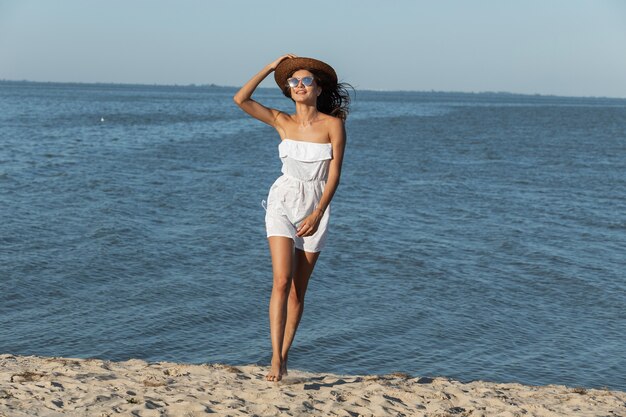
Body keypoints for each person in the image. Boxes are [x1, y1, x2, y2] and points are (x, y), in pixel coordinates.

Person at [233, 54, 351, 382]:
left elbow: (335, 176)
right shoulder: (281, 121)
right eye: (293, 82)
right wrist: (271, 68)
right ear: (289, 90)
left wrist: (317, 213)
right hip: (282, 200)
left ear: (318, 88)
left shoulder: (333, 125)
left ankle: (285, 356)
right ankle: (274, 359)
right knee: (281, 281)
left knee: (299, 290)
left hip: (316, 205)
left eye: (305, 81)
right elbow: (240, 99)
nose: (299, 86)